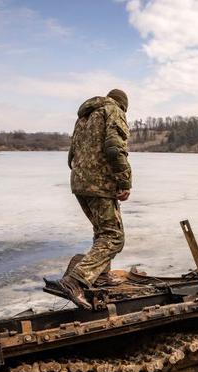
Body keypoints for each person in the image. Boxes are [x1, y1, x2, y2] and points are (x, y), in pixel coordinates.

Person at [58, 89, 132, 309]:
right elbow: (114, 148)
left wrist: (83, 176)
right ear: (123, 105)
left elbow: (71, 155)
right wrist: (124, 181)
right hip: (99, 182)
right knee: (114, 237)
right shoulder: (113, 110)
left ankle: (101, 276)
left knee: (102, 231)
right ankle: (76, 280)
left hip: (80, 182)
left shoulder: (84, 117)